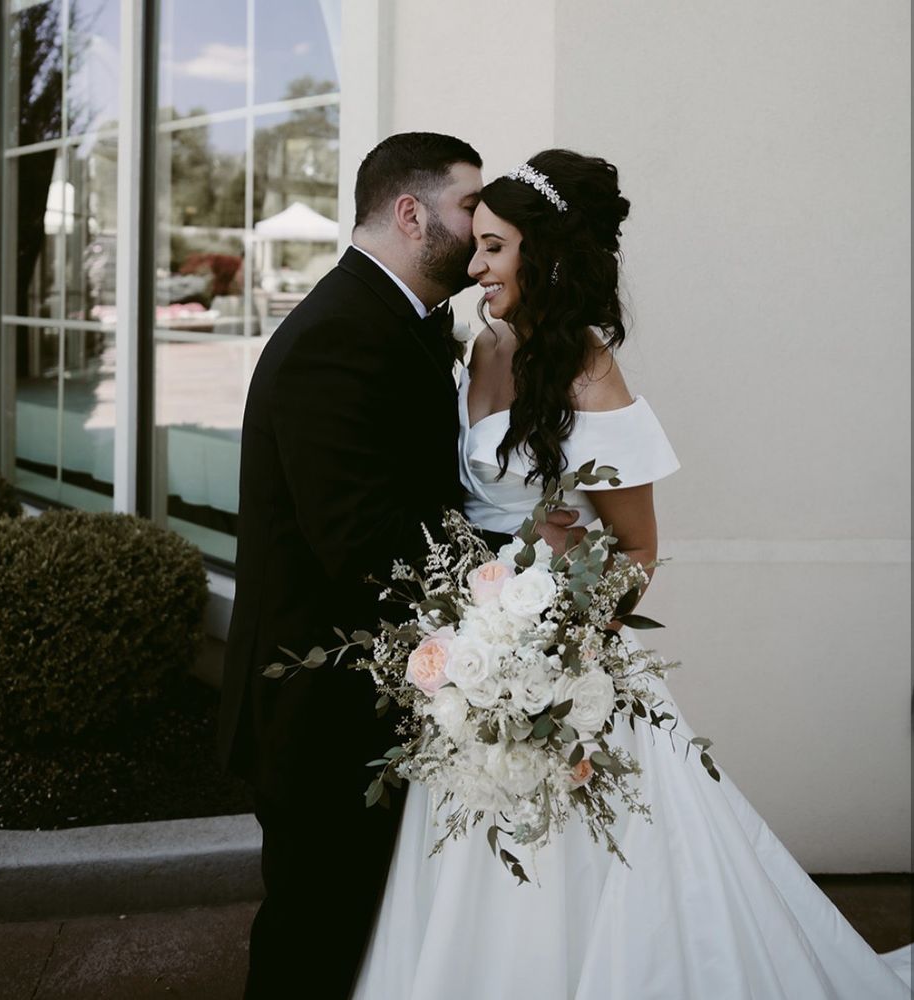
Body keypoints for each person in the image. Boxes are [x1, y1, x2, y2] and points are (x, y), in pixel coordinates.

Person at [351, 150, 914, 999]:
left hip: (562, 669)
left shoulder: (591, 380)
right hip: (473, 659)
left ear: (543, 257)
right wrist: (482, 639)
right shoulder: (481, 347)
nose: (473, 269)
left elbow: (636, 550)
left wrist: (555, 652)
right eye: (477, 247)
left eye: (494, 249)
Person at [218, 133, 582, 1000]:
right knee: (314, 937)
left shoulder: (401, 323)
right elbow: (361, 538)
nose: (481, 227)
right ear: (411, 213)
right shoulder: (337, 335)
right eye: (469, 207)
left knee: (370, 932)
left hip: (390, 689)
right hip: (320, 708)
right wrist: (524, 566)